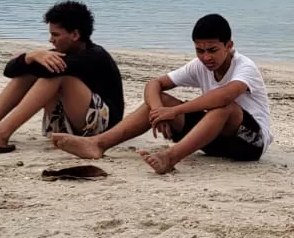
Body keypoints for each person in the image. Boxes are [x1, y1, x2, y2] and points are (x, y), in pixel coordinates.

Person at [51, 13, 272, 174]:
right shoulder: (199, 65)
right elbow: (154, 84)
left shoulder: (245, 67)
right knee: (160, 99)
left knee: (224, 107)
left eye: (212, 50)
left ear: (229, 45)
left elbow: (224, 96)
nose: (206, 58)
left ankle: (170, 157)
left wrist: (174, 111)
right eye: (200, 50)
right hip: (214, 140)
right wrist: (158, 111)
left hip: (249, 143)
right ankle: (98, 143)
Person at [0, 0, 122, 154]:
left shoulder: (95, 55)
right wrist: (30, 56)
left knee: (57, 75)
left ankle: (2, 133)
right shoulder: (62, 54)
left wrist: (31, 58)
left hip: (102, 126)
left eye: (55, 35)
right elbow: (10, 71)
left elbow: (49, 71)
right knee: (32, 71)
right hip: (71, 123)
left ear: (75, 34)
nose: (51, 40)